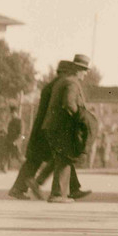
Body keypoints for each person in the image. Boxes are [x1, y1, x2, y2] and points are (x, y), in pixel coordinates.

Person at [8, 59, 89, 201]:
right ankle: (47, 187)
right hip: (50, 128)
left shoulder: (52, 85)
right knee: (62, 157)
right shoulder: (61, 84)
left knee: (45, 158)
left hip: (43, 127)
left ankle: (71, 188)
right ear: (66, 71)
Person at [41, 53, 91, 203]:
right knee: (64, 158)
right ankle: (58, 194)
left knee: (63, 157)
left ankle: (71, 190)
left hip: (54, 126)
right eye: (84, 70)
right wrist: (80, 118)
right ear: (78, 70)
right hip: (60, 127)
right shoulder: (72, 83)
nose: (85, 73)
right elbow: (69, 103)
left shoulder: (65, 80)